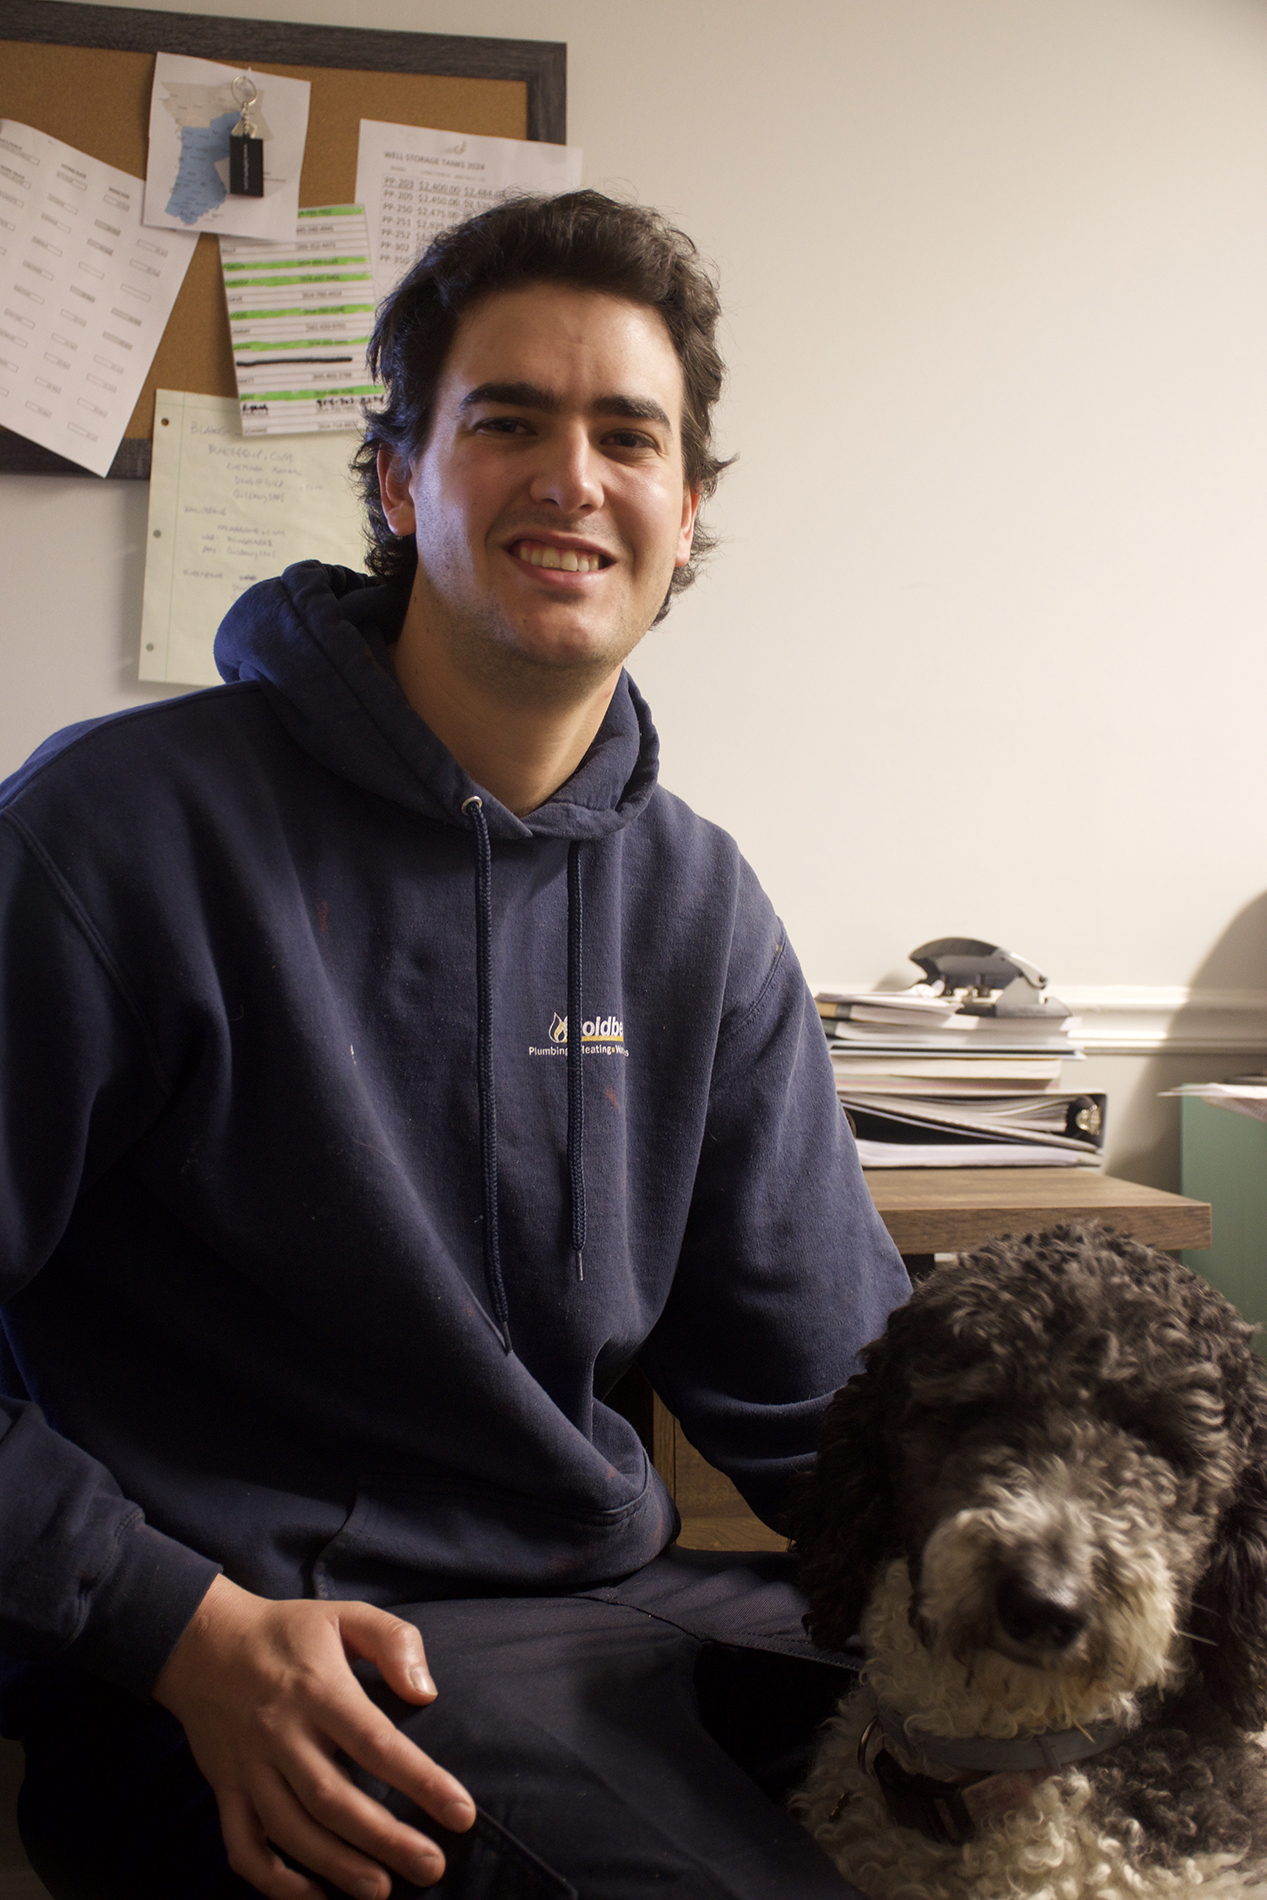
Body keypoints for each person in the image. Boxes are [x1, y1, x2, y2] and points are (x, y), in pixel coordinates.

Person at [0, 191, 908, 1900]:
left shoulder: (697, 900)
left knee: (1097, 1791)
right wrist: (170, 1628)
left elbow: (835, 1411)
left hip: (613, 1615)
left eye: (627, 435)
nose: (573, 477)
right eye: (507, 421)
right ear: (403, 479)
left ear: (685, 511)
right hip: (242, 1659)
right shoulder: (108, 838)